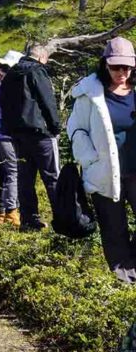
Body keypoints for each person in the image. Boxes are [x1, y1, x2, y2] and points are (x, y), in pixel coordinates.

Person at [67, 37, 136, 282]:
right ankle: (123, 279)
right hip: (105, 172)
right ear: (105, 65)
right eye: (116, 67)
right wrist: (90, 159)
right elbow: (75, 129)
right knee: (114, 229)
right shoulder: (91, 93)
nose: (122, 72)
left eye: (127, 67)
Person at [0, 43, 60, 231]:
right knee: (52, 177)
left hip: (18, 135)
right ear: (42, 57)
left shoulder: (11, 74)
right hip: (40, 133)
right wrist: (55, 127)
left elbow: (4, 104)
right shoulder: (37, 71)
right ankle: (62, 218)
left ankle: (29, 220)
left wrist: (10, 130)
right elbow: (47, 101)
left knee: (25, 179)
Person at [0, 51, 23, 226]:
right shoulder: (5, 83)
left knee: (0, 172)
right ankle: (11, 211)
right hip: (4, 132)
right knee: (12, 171)